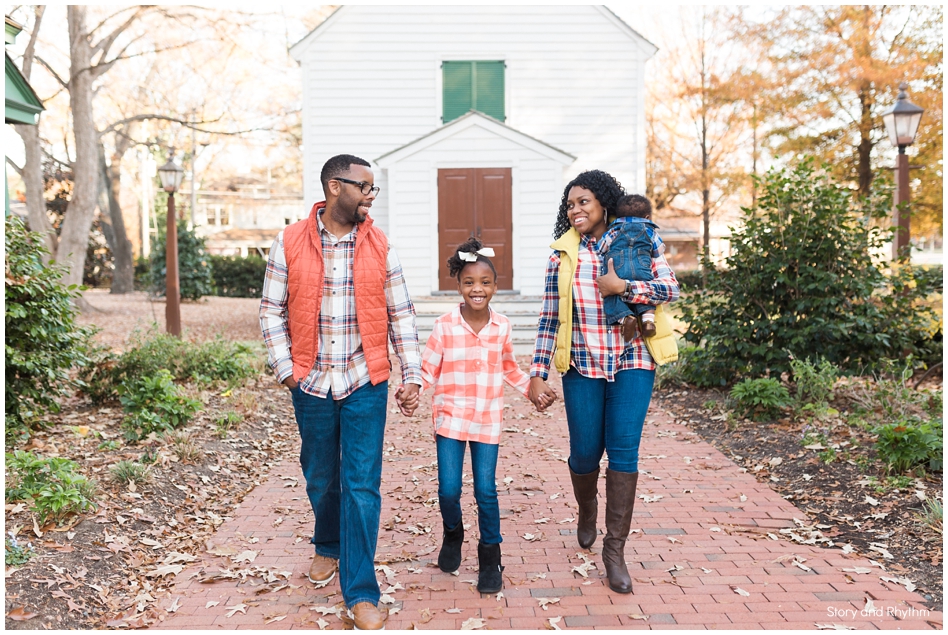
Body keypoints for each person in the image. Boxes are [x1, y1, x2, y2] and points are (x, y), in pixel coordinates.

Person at [259, 154, 421, 630]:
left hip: (364, 379)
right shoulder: (288, 240)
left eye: (374, 188)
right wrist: (287, 370)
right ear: (335, 187)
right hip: (309, 380)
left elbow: (402, 313)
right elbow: (270, 311)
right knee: (319, 474)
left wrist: (410, 374)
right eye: (364, 187)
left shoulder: (379, 243)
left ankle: (361, 591)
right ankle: (327, 542)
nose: (371, 196)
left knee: (361, 486)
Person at [528, 170, 680, 594]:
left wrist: (624, 286)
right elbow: (548, 317)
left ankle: (614, 551)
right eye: (570, 204)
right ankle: (587, 507)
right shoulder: (562, 255)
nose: (576, 209)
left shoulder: (638, 237)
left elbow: (670, 286)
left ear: (604, 203)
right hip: (582, 365)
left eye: (584, 201)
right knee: (583, 455)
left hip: (633, 360)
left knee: (624, 452)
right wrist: (538, 373)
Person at [420, 237, 556, 594]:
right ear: (459, 286)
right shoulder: (444, 325)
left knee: (485, 490)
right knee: (449, 490)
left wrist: (533, 389)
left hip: (487, 419)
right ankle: (453, 534)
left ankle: (490, 557)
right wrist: (410, 390)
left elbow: (510, 368)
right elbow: (427, 370)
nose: (476, 289)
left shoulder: (503, 327)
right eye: (469, 282)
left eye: (484, 282)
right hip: (450, 418)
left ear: (495, 286)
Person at [601, 194, 664, 339]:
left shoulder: (614, 230)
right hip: (642, 268)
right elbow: (659, 250)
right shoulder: (650, 230)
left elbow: (602, 247)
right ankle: (648, 321)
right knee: (646, 295)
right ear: (647, 217)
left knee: (611, 295)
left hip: (618, 271)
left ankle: (625, 318)